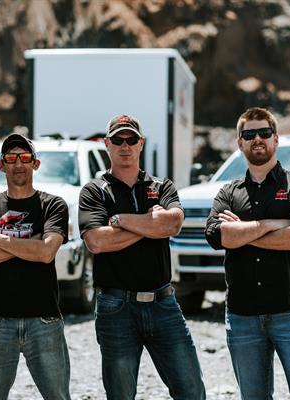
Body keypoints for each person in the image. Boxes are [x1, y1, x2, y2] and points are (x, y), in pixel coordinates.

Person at [78, 115, 206, 400]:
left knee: (192, 391)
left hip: (163, 303)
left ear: (141, 143)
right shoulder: (94, 191)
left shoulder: (162, 186)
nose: (125, 146)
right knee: (121, 395)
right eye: (118, 140)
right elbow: (96, 242)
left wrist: (120, 220)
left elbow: (173, 224)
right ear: (107, 144)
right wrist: (150, 226)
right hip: (116, 307)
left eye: (131, 139)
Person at [205, 107, 290, 400]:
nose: (257, 139)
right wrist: (273, 224)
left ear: (276, 138)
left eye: (264, 132)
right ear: (239, 143)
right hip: (243, 315)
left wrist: (243, 233)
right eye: (249, 134)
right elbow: (217, 236)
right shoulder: (228, 193)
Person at [0, 133, 71, 400]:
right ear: (2, 165)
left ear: (35, 163)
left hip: (44, 319)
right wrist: (30, 243)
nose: (18, 164)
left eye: (24, 157)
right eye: (11, 158)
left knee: (58, 396)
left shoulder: (52, 205)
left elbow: (46, 253)